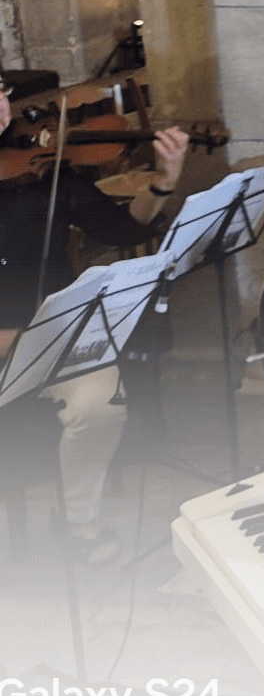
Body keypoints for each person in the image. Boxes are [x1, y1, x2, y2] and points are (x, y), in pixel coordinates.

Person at [0, 85, 189, 566]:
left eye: (0, 94)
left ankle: (76, 521)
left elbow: (122, 228)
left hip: (50, 336)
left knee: (102, 402)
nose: (1, 110)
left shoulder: (43, 174)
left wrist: (165, 180)